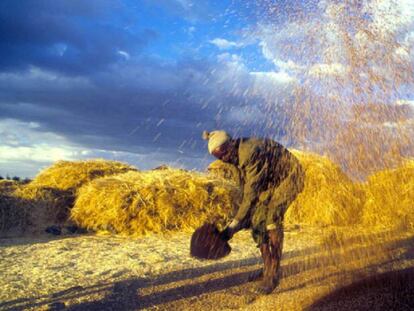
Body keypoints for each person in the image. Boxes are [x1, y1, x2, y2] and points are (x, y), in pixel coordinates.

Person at [202, 130, 305, 294]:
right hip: (271, 183)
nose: (225, 159)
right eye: (220, 158)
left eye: (225, 154)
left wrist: (232, 227)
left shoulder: (251, 152)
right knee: (256, 220)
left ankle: (274, 273)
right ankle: (267, 268)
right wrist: (231, 229)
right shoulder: (232, 161)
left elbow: (251, 194)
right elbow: (246, 197)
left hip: (290, 176)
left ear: (231, 144)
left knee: (272, 217)